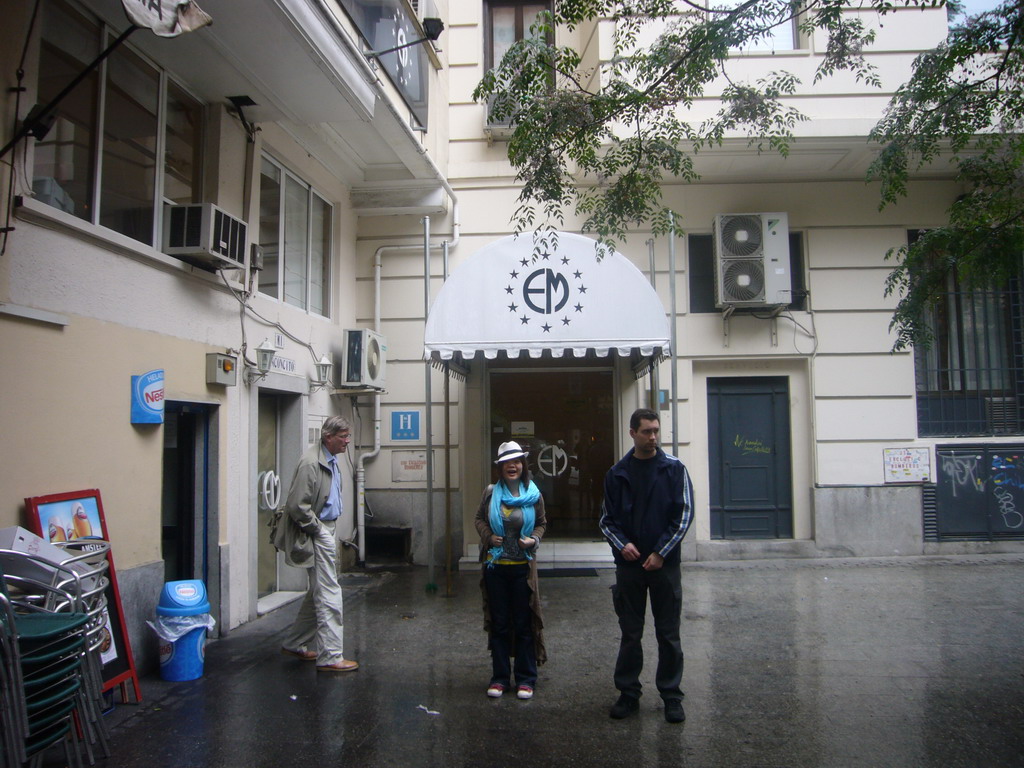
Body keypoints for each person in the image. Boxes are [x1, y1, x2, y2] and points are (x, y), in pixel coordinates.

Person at [599, 408, 693, 723]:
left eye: (655, 431)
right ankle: (628, 694)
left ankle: (671, 696)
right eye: (646, 432)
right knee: (630, 633)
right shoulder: (617, 473)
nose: (652, 437)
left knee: (668, 633)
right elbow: (606, 520)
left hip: (664, 567)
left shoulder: (674, 469)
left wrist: (661, 553)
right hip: (629, 568)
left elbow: (684, 515)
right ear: (632, 433)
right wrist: (622, 545)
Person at [279, 415, 359, 672]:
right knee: (329, 593)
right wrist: (319, 530)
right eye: (343, 437)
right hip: (318, 530)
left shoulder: (328, 457)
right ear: (328, 437)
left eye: (348, 436)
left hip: (325, 527)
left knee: (319, 590)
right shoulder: (311, 463)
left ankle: (294, 642)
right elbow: (296, 506)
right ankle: (331, 656)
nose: (347, 441)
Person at [474, 441, 548, 700]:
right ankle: (500, 677)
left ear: (523, 466)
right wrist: (487, 537)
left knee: (524, 623)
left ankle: (526, 679)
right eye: (507, 463)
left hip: (522, 571)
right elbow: (479, 519)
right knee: (500, 624)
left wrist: (533, 541)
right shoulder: (491, 493)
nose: (512, 466)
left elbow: (541, 524)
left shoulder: (534, 494)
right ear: (500, 468)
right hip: (496, 569)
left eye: (516, 462)